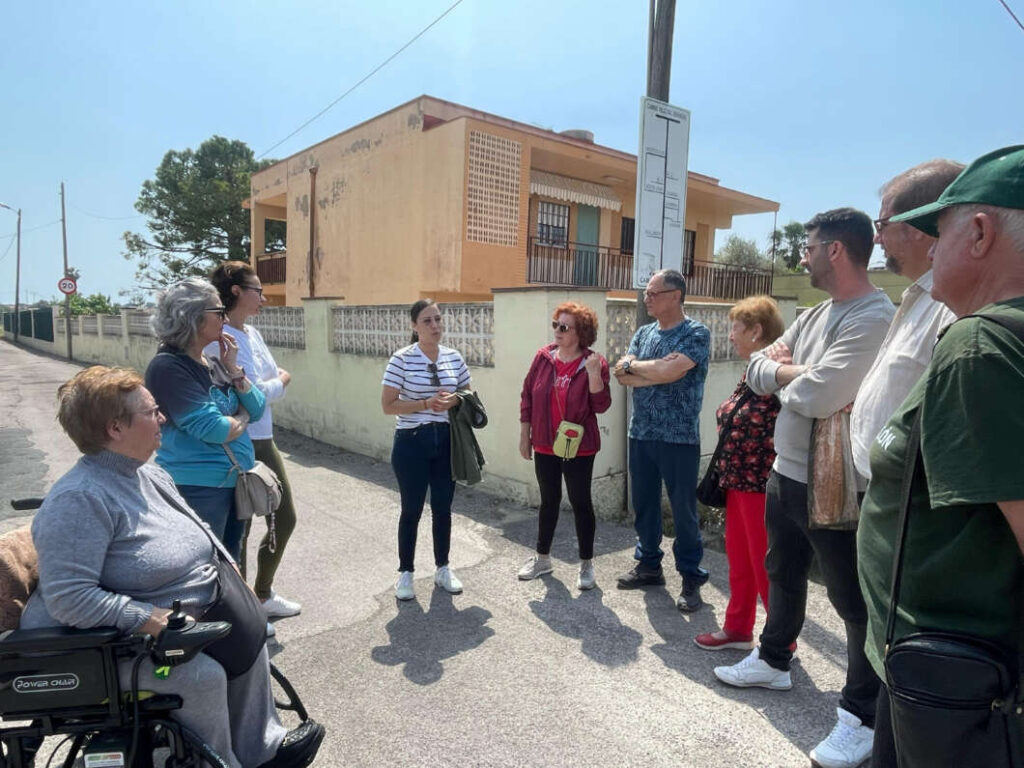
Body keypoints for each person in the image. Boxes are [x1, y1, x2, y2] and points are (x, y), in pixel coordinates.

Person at [19, 366, 324, 768]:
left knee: (246, 641)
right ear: (115, 429)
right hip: (111, 648)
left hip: (191, 618)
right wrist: (152, 620)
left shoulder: (147, 471)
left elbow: (196, 529)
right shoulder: (80, 500)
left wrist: (233, 574)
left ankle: (259, 750)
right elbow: (69, 598)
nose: (162, 418)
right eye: (151, 411)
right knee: (201, 676)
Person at [858, 145, 1024, 767]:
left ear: (978, 233)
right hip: (946, 675)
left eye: (940, 230)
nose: (929, 248)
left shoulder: (980, 345)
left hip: (955, 691)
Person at [713, 208, 895, 768]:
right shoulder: (817, 314)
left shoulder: (872, 317)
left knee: (850, 601)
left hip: (834, 483)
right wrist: (790, 373)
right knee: (782, 572)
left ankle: (860, 716)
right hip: (784, 470)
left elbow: (817, 395)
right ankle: (773, 662)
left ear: (836, 250)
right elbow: (755, 370)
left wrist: (786, 376)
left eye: (810, 246)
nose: (802, 256)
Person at [849, 160, 962, 481]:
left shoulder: (954, 307)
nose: (876, 240)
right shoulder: (920, 297)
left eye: (881, 225)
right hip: (886, 496)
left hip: (912, 505)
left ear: (914, 227)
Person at [207, 261, 301, 635]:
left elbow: (268, 382)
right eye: (257, 290)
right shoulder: (222, 338)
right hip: (239, 440)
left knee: (285, 517)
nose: (262, 297)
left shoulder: (253, 333)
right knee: (240, 529)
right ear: (235, 292)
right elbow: (257, 390)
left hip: (265, 437)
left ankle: (261, 594)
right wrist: (273, 384)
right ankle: (246, 612)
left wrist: (267, 385)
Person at [612, 268, 711, 612]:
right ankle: (649, 565)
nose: (646, 298)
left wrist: (639, 367)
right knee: (645, 504)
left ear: (674, 295)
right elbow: (622, 376)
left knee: (683, 511)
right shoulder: (643, 332)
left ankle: (690, 577)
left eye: (653, 293)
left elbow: (668, 372)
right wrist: (653, 370)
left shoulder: (696, 333)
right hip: (641, 433)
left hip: (679, 437)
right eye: (647, 293)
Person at [146, 278, 265, 562]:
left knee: (230, 563)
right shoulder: (168, 367)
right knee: (204, 566)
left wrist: (234, 369)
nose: (224, 318)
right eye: (218, 312)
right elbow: (214, 429)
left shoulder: (214, 364)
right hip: (199, 488)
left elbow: (258, 407)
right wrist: (241, 417)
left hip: (233, 483)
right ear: (193, 317)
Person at [693, 296, 783, 651]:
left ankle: (780, 642)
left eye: (735, 328)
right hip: (737, 484)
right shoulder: (751, 372)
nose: (730, 336)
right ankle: (738, 628)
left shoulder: (776, 373)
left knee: (764, 566)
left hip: (760, 486)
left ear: (756, 331)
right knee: (741, 562)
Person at [517, 301, 611, 590]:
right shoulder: (543, 357)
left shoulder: (594, 362)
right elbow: (527, 397)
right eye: (556, 324)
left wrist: (594, 375)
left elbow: (602, 405)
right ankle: (543, 559)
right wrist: (525, 435)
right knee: (549, 501)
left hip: (579, 446)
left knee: (581, 502)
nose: (557, 330)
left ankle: (586, 565)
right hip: (545, 443)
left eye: (564, 327)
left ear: (580, 333)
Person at [382, 299, 471, 601]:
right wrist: (425, 404)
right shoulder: (401, 359)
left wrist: (455, 400)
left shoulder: (453, 357)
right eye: (427, 321)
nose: (435, 326)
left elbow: (468, 393)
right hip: (411, 442)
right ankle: (405, 574)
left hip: (446, 440)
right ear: (414, 326)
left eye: (437, 320)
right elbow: (387, 404)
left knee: (443, 508)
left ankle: (443, 568)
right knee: (411, 510)